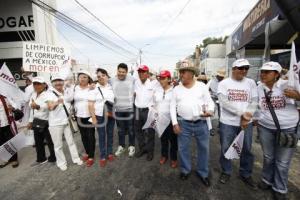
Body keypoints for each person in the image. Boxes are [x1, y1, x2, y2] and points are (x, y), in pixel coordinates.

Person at [256, 62, 300, 200]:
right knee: (268, 157)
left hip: (288, 129)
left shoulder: (288, 86)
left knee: (282, 162)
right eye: (262, 71)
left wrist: (298, 97)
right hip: (265, 128)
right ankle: (267, 180)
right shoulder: (259, 87)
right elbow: (256, 106)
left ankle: (280, 188)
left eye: (268, 72)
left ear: (277, 74)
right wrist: (255, 118)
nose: (263, 74)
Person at [170, 60, 214, 187]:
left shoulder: (201, 86)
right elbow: (172, 107)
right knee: (183, 149)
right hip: (184, 123)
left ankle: (203, 173)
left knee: (204, 149)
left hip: (201, 123)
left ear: (192, 73)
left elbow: (210, 102)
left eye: (184, 72)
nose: (181, 74)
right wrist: (174, 123)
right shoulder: (176, 89)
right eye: (180, 72)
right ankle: (185, 170)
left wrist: (210, 110)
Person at [217, 59, 258, 188]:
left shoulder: (251, 83)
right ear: (233, 69)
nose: (244, 71)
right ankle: (226, 171)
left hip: (247, 122)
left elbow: (255, 100)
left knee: (246, 149)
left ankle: (245, 174)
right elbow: (224, 102)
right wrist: (242, 113)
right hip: (228, 123)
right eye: (241, 68)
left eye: (246, 68)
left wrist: (247, 116)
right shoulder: (224, 83)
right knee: (226, 148)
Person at [47, 75, 83, 171]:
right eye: (56, 81)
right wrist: (56, 103)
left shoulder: (65, 91)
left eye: (60, 80)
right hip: (55, 124)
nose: (58, 83)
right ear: (52, 83)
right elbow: (50, 107)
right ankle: (61, 163)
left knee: (71, 142)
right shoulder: (49, 93)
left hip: (66, 121)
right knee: (58, 145)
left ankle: (76, 159)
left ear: (63, 82)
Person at [88, 68, 115, 167]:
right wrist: (93, 118)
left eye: (103, 75)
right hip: (99, 116)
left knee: (110, 134)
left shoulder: (112, 87)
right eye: (99, 76)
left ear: (107, 76)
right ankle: (103, 156)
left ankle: (110, 153)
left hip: (111, 115)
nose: (101, 78)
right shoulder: (94, 88)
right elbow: (90, 104)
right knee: (102, 136)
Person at [27, 77, 56, 167]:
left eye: (39, 84)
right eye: (34, 84)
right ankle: (41, 159)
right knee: (38, 141)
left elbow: (50, 107)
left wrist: (38, 106)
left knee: (50, 141)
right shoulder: (33, 95)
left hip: (47, 120)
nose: (36, 86)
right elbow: (32, 109)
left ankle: (54, 157)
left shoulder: (49, 94)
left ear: (44, 84)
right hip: (36, 120)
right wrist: (30, 121)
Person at [111, 63, 136, 157]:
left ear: (126, 72)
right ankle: (121, 146)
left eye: (123, 72)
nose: (121, 73)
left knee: (131, 129)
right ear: (117, 71)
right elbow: (102, 83)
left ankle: (132, 146)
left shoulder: (132, 79)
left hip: (130, 109)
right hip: (118, 110)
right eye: (119, 71)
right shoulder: (112, 80)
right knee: (120, 130)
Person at [154, 70, 178, 168]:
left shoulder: (174, 90)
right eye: (160, 78)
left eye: (163, 78)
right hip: (160, 120)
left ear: (169, 79)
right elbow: (155, 103)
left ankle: (174, 158)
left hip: (171, 120)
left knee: (173, 141)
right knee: (163, 140)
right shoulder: (157, 90)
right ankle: (164, 156)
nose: (161, 80)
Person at [73, 70, 95, 167]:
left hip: (89, 115)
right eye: (81, 76)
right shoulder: (75, 88)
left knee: (90, 136)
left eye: (85, 77)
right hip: (79, 115)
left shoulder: (92, 87)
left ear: (88, 79)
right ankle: (87, 152)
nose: (82, 78)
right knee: (83, 136)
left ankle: (91, 156)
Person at [134, 65, 156, 161]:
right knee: (139, 131)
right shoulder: (136, 82)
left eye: (143, 72)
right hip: (138, 110)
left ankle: (150, 151)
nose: (141, 74)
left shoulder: (153, 83)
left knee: (150, 131)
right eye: (140, 72)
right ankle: (142, 148)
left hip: (149, 111)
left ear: (148, 74)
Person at [0, 95, 19, 168]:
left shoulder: (5, 97)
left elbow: (15, 105)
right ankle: (7, 158)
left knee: (11, 141)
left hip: (7, 123)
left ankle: (14, 159)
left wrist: (12, 108)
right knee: (1, 143)